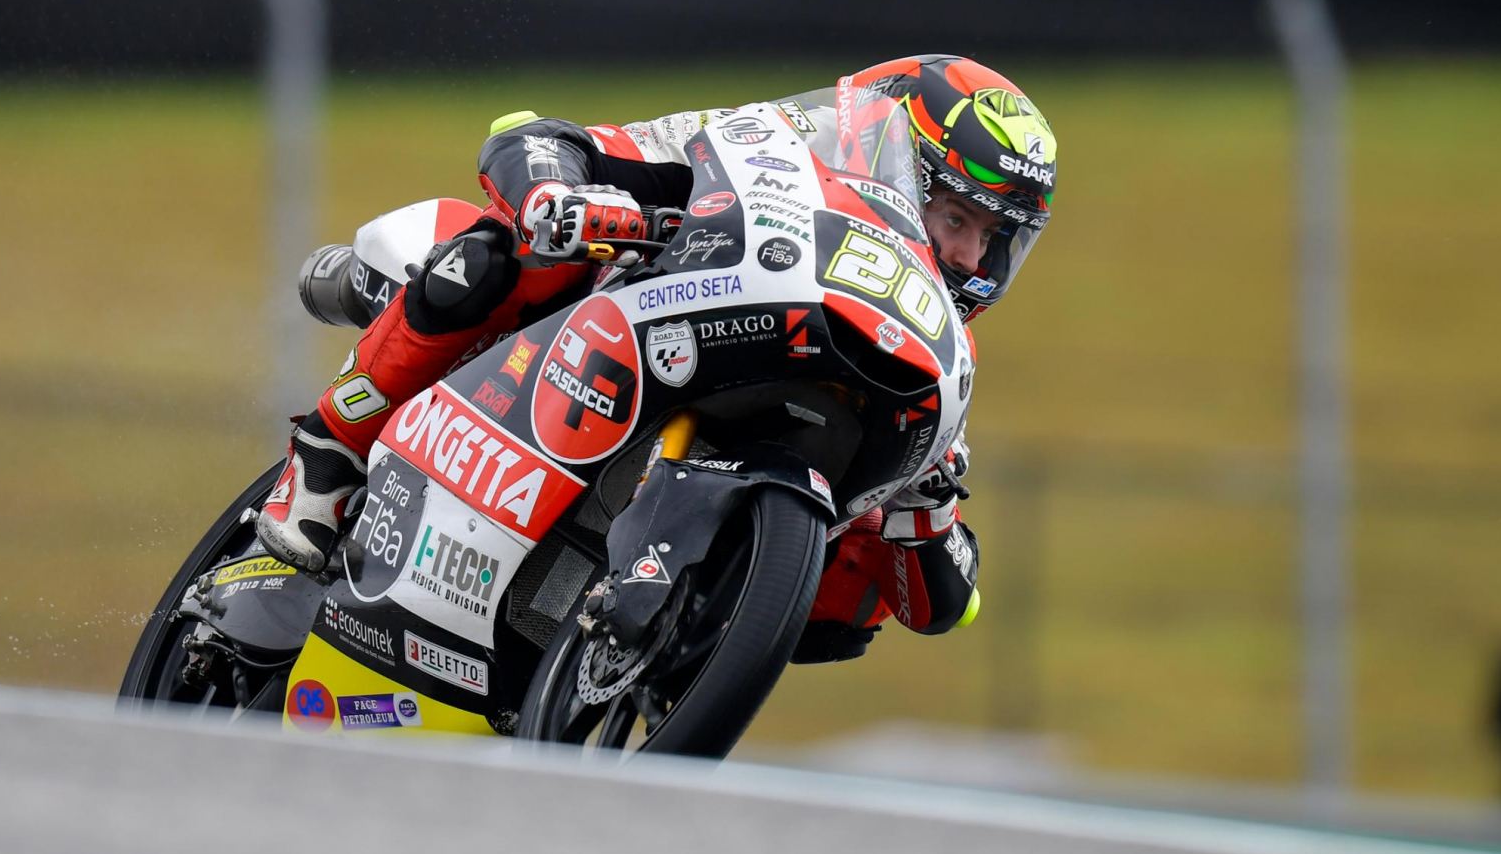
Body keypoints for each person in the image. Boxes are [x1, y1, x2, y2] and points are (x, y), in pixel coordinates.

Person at [255, 54, 1058, 657]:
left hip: (746, 455)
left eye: (995, 237)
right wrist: (558, 200)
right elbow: (536, 138)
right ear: (889, 155)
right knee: (499, 254)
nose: (969, 256)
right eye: (956, 217)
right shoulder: (769, 146)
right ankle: (329, 450)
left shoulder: (937, 364)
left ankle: (651, 659)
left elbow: (942, 608)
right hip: (617, 323)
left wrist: (931, 511)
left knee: (858, 588)